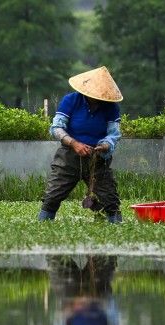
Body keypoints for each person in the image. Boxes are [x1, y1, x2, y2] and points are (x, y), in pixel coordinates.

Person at [40, 66, 124, 223]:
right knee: (52, 196)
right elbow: (56, 128)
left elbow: (114, 134)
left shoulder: (111, 107)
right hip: (69, 156)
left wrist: (105, 145)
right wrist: (74, 143)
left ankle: (117, 227)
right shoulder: (71, 100)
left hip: (98, 158)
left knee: (110, 199)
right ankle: (43, 225)